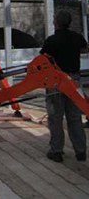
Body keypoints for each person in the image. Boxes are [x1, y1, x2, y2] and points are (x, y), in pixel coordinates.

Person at [41, 10, 88, 163]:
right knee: (74, 117)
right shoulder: (77, 38)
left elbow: (42, 59)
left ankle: (56, 151)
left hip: (56, 81)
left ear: (56, 23)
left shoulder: (52, 40)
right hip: (74, 80)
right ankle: (81, 151)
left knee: (55, 117)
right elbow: (85, 48)